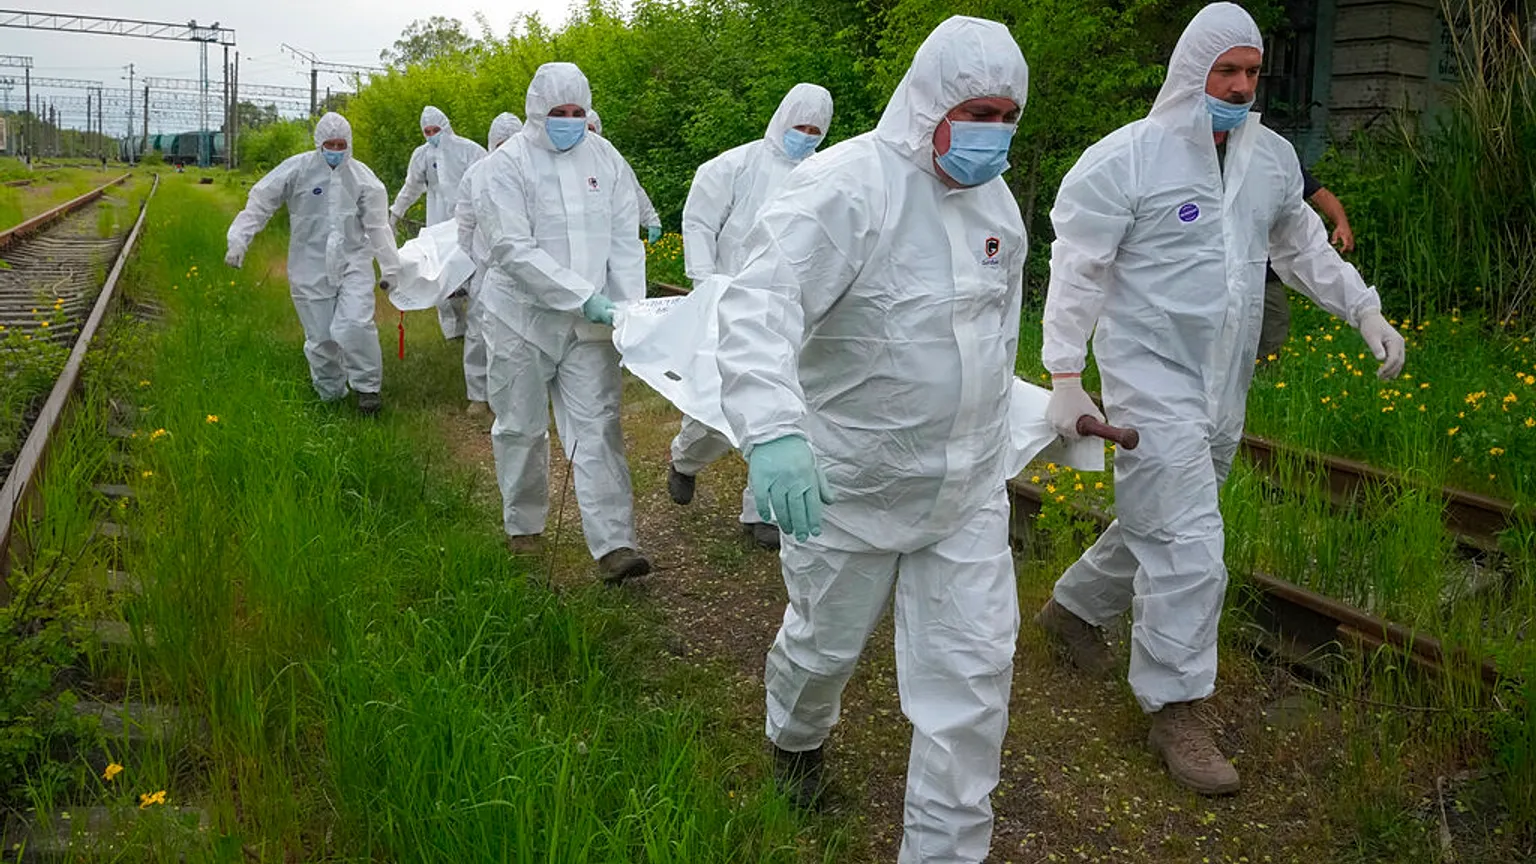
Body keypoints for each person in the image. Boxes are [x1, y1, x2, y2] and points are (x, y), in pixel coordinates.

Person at [1036, 2, 1405, 796]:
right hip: (1148, 377)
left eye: (1251, 71)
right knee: (1191, 544)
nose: (1240, 86)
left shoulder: (1269, 158)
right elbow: (1079, 268)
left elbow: (1301, 245)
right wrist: (1065, 372)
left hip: (1223, 381)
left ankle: (1071, 611)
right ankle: (1176, 708)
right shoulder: (1126, 160)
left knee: (1168, 516)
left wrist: (1363, 309)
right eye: (1225, 70)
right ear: (1191, 70)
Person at [715, 18, 1028, 862]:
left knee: (972, 684)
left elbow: (994, 339)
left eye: (1008, 116)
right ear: (929, 102)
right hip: (849, 488)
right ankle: (796, 739)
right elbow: (759, 305)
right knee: (823, 647)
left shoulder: (997, 204)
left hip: (963, 495)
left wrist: (1033, 417)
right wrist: (773, 432)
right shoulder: (845, 186)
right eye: (979, 112)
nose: (995, 133)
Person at [474, 62, 651, 583]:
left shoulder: (606, 158)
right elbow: (512, 248)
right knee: (521, 426)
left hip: (589, 328)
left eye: (578, 112)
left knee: (600, 428)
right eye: (559, 112)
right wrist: (581, 296)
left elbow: (624, 241)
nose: (569, 121)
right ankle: (524, 528)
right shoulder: (506, 165)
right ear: (536, 111)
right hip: (521, 319)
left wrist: (629, 310)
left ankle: (615, 544)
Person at [666, 82, 834, 551]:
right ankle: (684, 459)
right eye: (800, 126)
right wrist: (705, 284)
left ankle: (763, 512)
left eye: (815, 131)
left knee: (785, 405)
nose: (805, 137)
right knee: (718, 407)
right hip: (732, 303)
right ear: (782, 118)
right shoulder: (734, 166)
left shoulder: (825, 175)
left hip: (794, 308)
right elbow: (700, 221)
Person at [225, 112, 399, 415]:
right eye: (330, 145)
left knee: (355, 323)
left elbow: (377, 226)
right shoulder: (298, 169)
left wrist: (390, 266)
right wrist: (239, 238)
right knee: (321, 336)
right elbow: (261, 201)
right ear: (319, 143)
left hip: (353, 260)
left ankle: (367, 389)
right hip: (309, 262)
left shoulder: (362, 178)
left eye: (341, 145)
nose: (335, 151)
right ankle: (330, 393)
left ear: (349, 144)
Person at [389, 106, 488, 342]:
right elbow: (411, 187)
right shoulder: (422, 155)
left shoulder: (469, 150)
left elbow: (486, 180)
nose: (432, 135)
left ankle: (480, 326)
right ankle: (454, 329)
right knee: (440, 271)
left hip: (467, 219)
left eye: (436, 130)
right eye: (428, 131)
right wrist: (395, 213)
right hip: (437, 219)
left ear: (445, 127)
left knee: (471, 267)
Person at [454, 111, 525, 421]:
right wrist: (462, 269)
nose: (506, 150)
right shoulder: (476, 174)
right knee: (479, 329)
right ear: (491, 144)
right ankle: (478, 394)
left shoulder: (533, 171)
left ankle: (517, 395)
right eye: (501, 144)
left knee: (522, 333)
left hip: (524, 267)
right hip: (487, 265)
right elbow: (464, 224)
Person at [1257, 164, 1355, 362]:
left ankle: (1267, 375)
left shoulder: (1273, 158)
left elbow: (1320, 194)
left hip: (1266, 269)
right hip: (1218, 270)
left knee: (1274, 323)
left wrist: (1342, 224)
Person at [586, 109, 664, 244]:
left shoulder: (609, 157)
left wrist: (651, 219)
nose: (587, 134)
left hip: (607, 233)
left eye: (590, 129)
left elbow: (631, 188)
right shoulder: (557, 159)